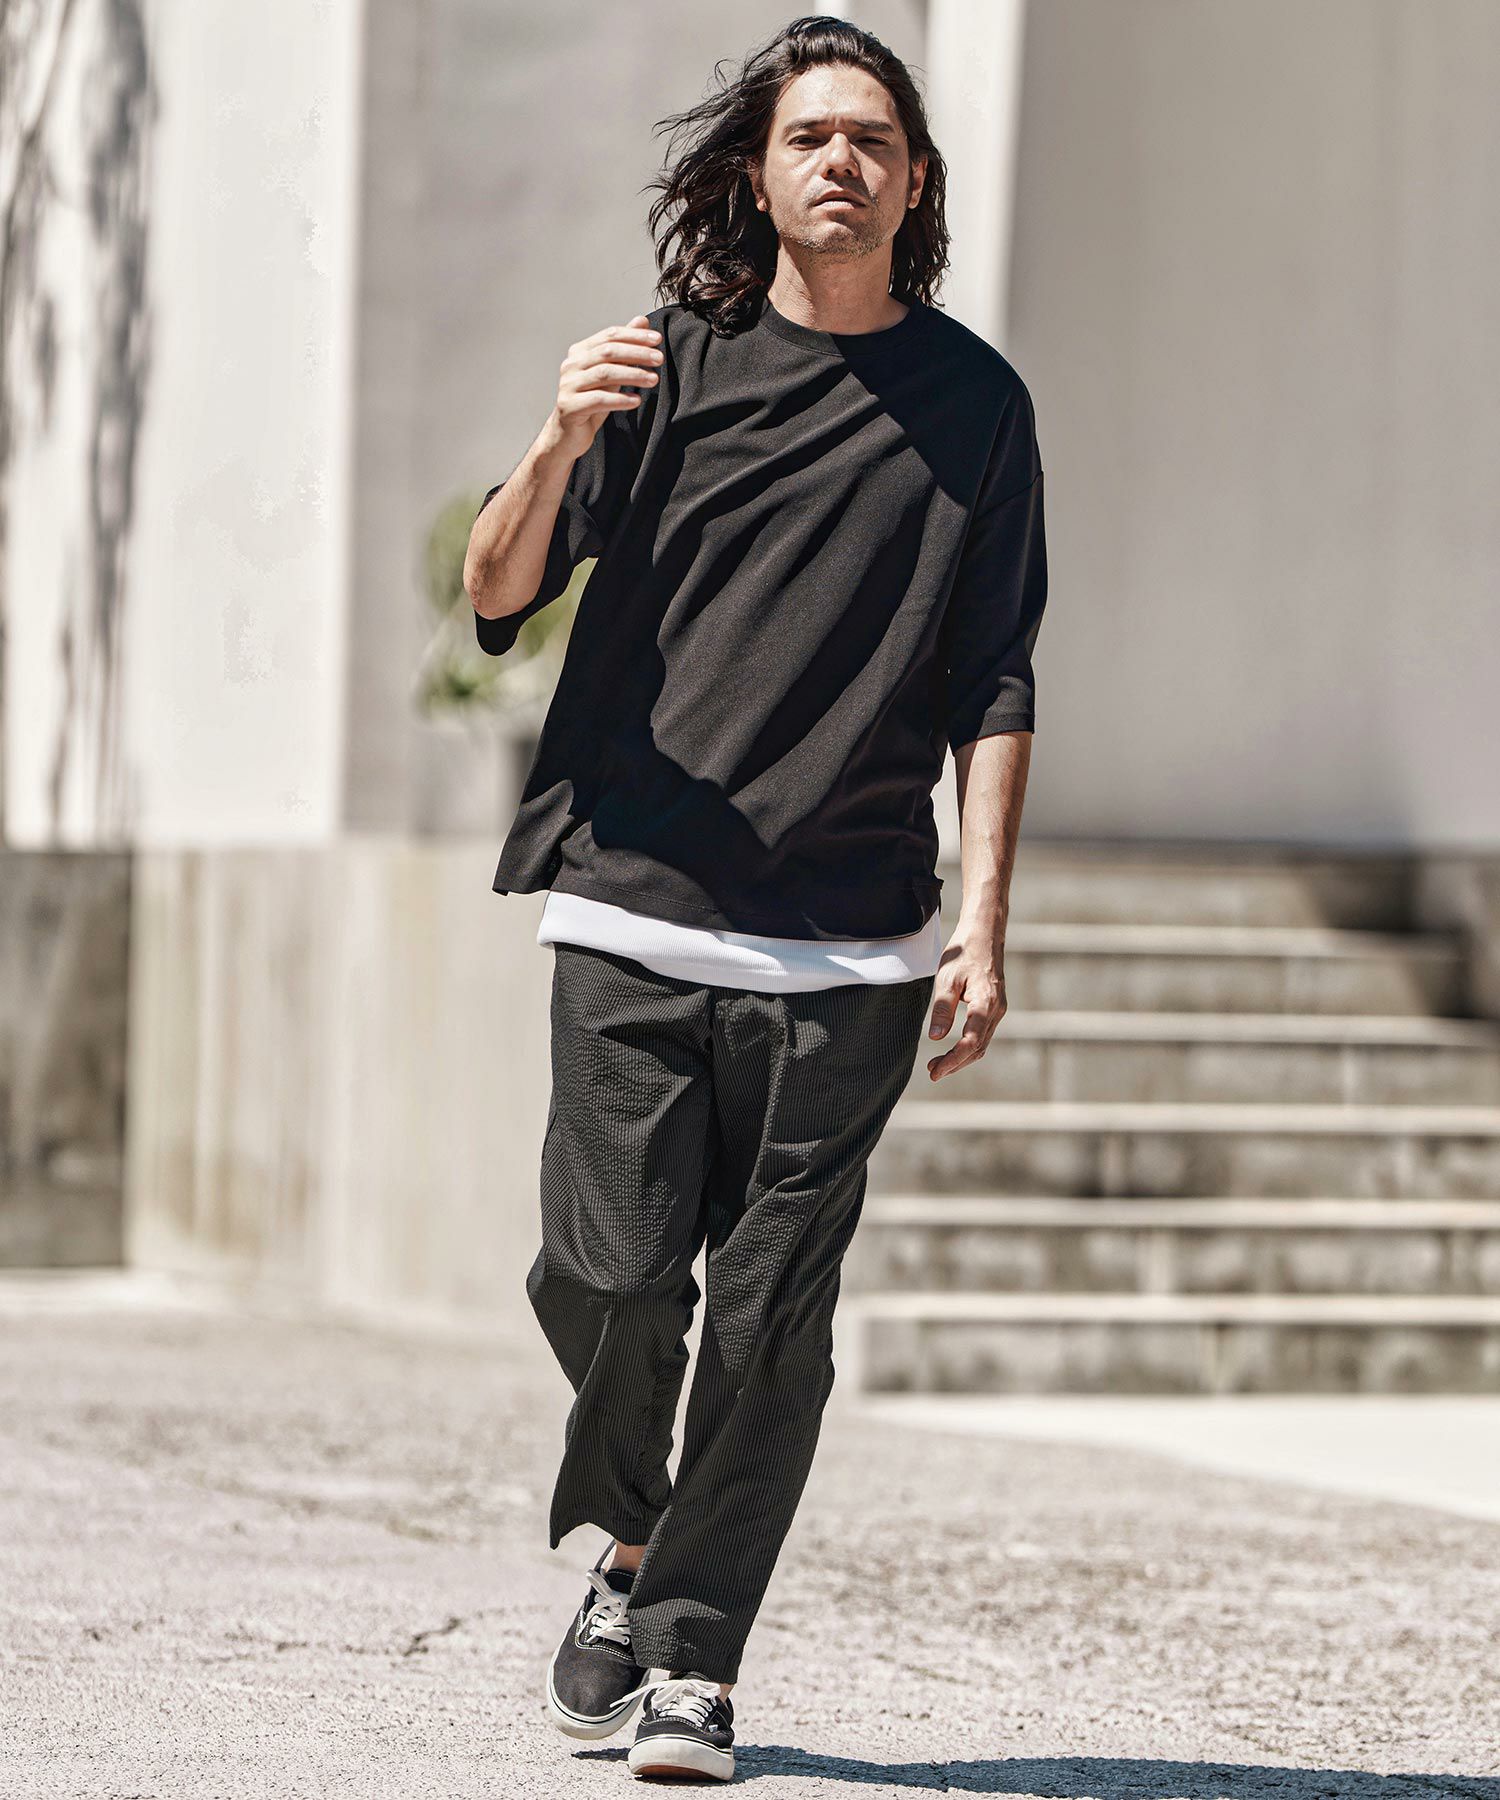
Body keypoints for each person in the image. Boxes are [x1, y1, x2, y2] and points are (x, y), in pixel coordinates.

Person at [463, 15, 1047, 1784]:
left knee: (774, 1321)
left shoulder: (978, 409)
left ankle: (692, 1661)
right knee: (610, 1279)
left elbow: (996, 678)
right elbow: (494, 593)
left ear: (914, 182)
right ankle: (641, 1540)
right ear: (760, 171)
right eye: (811, 136)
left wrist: (985, 921)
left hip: (852, 941)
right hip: (632, 910)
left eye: (874, 139)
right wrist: (556, 440)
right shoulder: (666, 368)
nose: (841, 161)